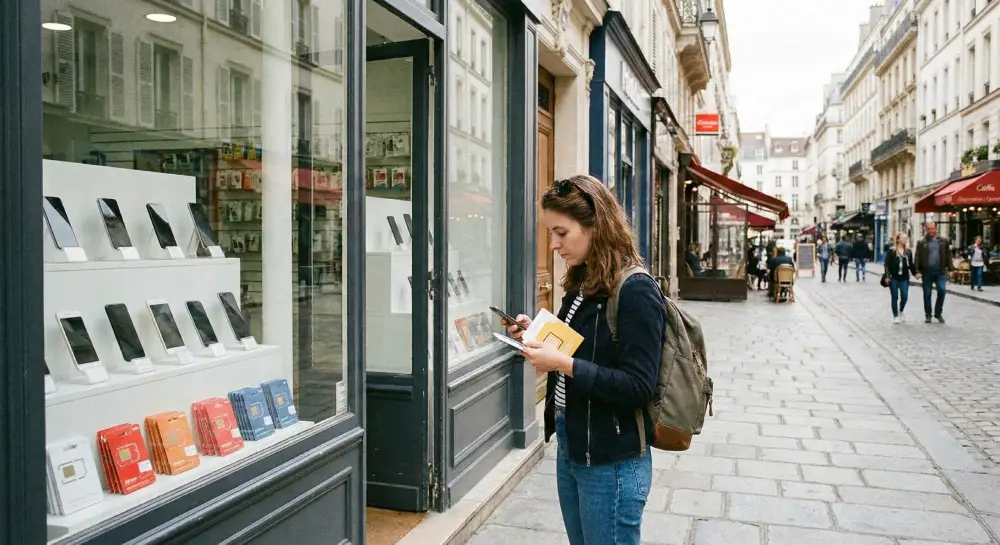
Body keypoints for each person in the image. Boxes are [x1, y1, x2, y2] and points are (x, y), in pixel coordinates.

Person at [503, 175, 665, 545]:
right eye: (550, 233)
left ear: (596, 225)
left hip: (612, 462)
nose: (553, 244)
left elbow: (639, 386)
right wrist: (533, 332)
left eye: (562, 232)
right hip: (574, 445)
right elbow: (577, 345)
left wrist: (563, 365)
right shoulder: (583, 281)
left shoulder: (636, 289)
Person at [914, 221, 954, 323]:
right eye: (929, 229)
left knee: (942, 290)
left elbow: (948, 255)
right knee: (927, 294)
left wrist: (950, 269)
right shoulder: (921, 242)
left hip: (940, 271)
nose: (931, 231)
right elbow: (917, 257)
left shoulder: (943, 241)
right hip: (927, 272)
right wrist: (917, 271)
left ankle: (938, 313)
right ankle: (928, 315)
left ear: (936, 228)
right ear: (926, 229)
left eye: (933, 228)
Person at [885, 232, 917, 324]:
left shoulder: (908, 252)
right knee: (894, 297)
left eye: (906, 238)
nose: (905, 240)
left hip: (904, 278)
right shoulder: (892, 251)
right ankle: (895, 316)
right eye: (903, 238)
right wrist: (887, 276)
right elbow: (886, 264)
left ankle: (901, 310)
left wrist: (915, 274)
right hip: (893, 277)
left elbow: (911, 265)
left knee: (905, 296)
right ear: (898, 239)